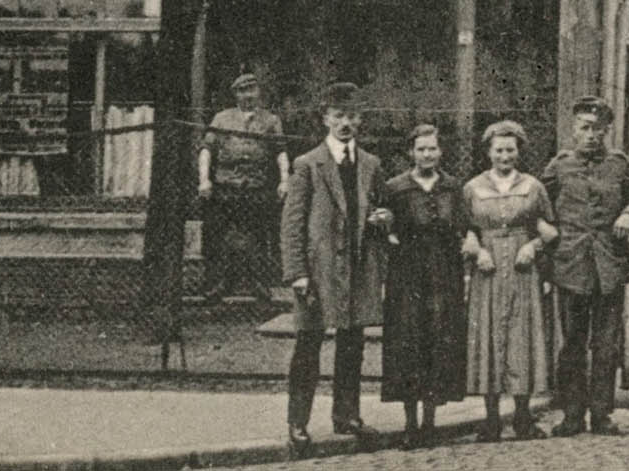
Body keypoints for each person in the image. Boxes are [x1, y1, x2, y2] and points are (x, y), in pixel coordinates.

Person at [280, 81, 390, 457]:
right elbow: (292, 224)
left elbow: (377, 210)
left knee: (352, 348)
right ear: (325, 118)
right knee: (308, 346)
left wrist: (381, 219)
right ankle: (298, 423)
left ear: (361, 120)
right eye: (338, 115)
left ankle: (347, 416)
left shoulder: (371, 164)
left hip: (358, 269)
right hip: (318, 271)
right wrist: (297, 271)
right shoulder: (307, 164)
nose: (346, 123)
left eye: (352, 116)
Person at [542, 96, 629, 436]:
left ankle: (602, 413)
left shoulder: (620, 165)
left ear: (607, 131)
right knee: (572, 342)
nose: (591, 135)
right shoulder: (559, 166)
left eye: (598, 129)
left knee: (606, 344)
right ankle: (572, 414)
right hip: (570, 264)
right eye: (585, 128)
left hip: (609, 264)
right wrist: (545, 232)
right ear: (574, 129)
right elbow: (539, 206)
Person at [463, 119, 559, 442]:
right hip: (488, 272)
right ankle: (491, 420)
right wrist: (477, 251)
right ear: (488, 152)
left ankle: (522, 417)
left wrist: (533, 246)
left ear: (519, 152)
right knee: (488, 336)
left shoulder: (533, 187)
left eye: (511, 150)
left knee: (522, 336)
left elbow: (550, 229)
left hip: (522, 271)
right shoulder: (473, 188)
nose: (505, 156)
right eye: (499, 150)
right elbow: (465, 230)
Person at [379, 123, 468, 450]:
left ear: (440, 151)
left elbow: (462, 227)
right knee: (409, 343)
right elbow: (384, 229)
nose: (427, 154)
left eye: (432, 148)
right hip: (408, 275)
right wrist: (385, 227)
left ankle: (431, 422)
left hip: (444, 275)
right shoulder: (395, 187)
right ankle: (410, 424)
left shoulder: (453, 187)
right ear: (410, 152)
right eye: (421, 149)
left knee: (437, 341)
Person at [198, 73, 288, 301]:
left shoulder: (270, 120)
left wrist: (285, 179)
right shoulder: (221, 119)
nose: (247, 95)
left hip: (256, 186)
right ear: (235, 94)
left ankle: (259, 285)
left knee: (258, 236)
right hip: (225, 186)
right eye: (242, 90)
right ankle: (218, 285)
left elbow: (281, 152)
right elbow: (206, 149)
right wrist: (204, 179)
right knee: (219, 237)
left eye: (251, 90)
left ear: (258, 93)